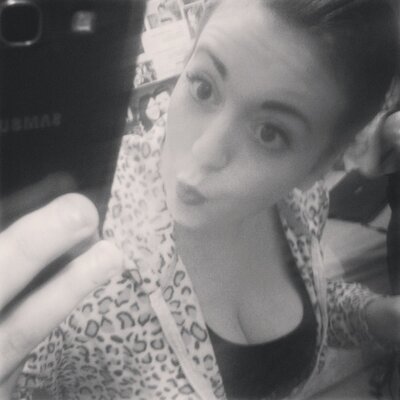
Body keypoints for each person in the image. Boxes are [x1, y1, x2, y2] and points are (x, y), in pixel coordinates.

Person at [2, 0, 400, 399]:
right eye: (203, 88)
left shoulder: (303, 203)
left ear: (321, 163)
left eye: (269, 133)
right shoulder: (89, 246)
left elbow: (296, 308)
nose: (204, 152)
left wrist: (372, 315)